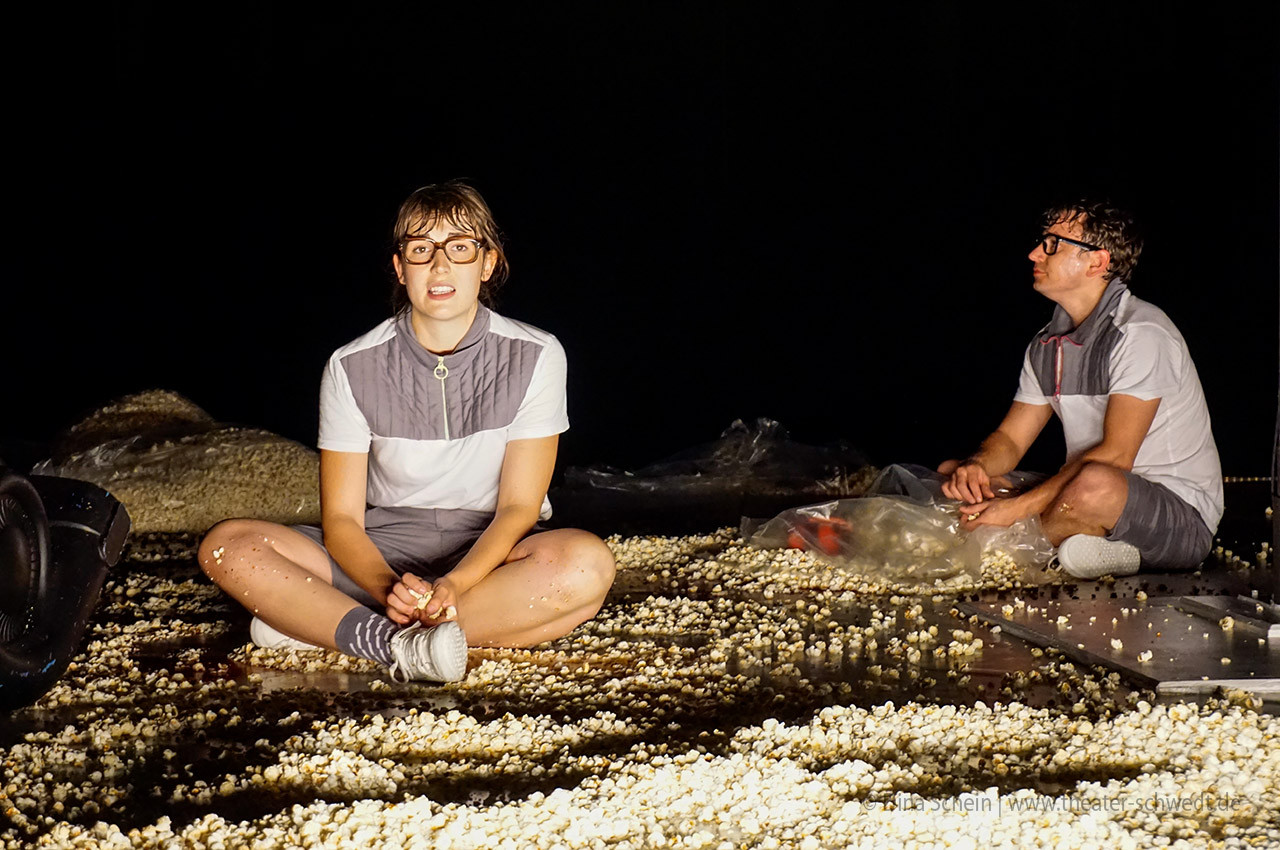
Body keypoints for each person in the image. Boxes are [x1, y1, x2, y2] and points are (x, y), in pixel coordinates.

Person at [199, 180, 616, 682]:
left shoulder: (538, 354)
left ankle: (324, 625)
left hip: (489, 553)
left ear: (487, 263)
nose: (439, 266)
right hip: (381, 549)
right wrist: (386, 588)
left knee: (586, 565)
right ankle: (395, 641)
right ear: (401, 268)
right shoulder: (350, 365)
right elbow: (342, 520)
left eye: (459, 247)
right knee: (228, 545)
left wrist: (456, 583)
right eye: (421, 249)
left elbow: (518, 508)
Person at [938, 200, 1222, 579]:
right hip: (1084, 490)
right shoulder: (1045, 344)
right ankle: (1087, 550)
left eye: (1052, 245)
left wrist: (1015, 509)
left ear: (1096, 262)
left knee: (1094, 486)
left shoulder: (1140, 332)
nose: (1035, 253)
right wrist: (976, 467)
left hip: (1181, 519)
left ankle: (1000, 553)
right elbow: (1010, 439)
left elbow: (1116, 457)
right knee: (958, 474)